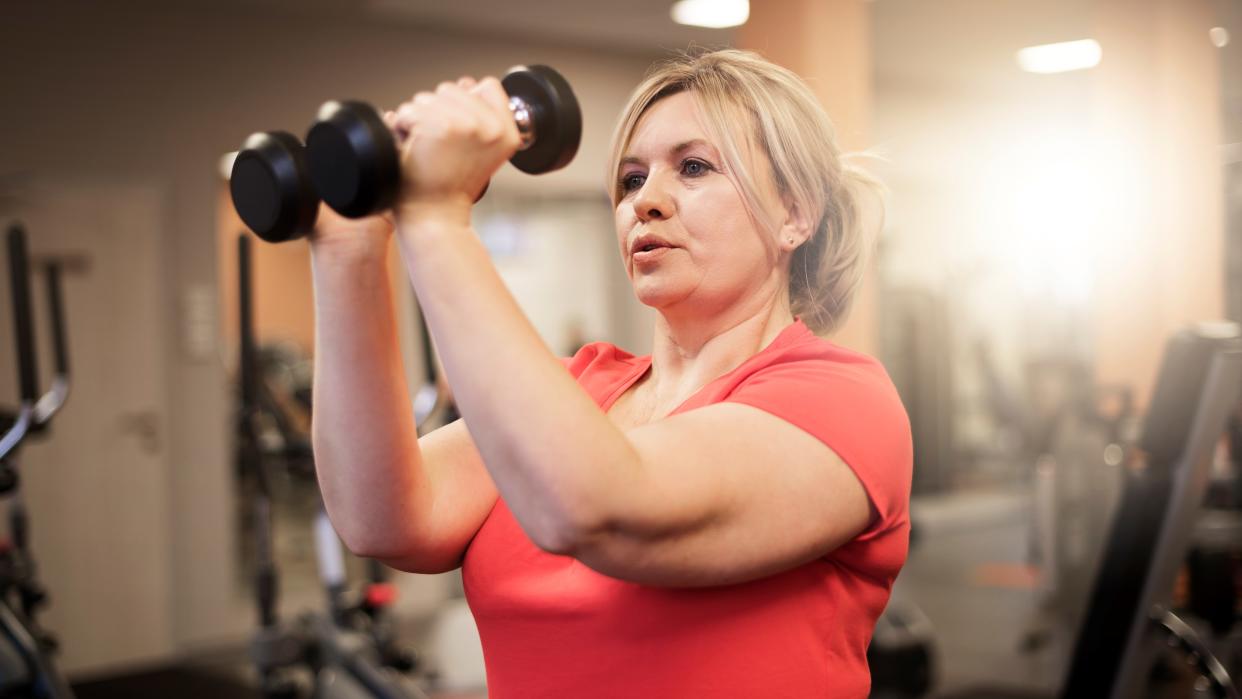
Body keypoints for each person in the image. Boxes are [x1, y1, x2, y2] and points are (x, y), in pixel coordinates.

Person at [309, 49, 913, 698]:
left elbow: (596, 508)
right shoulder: (577, 390)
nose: (645, 201)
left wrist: (435, 219)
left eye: (693, 167)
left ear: (795, 213)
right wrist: (349, 249)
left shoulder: (844, 402)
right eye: (630, 179)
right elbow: (386, 518)